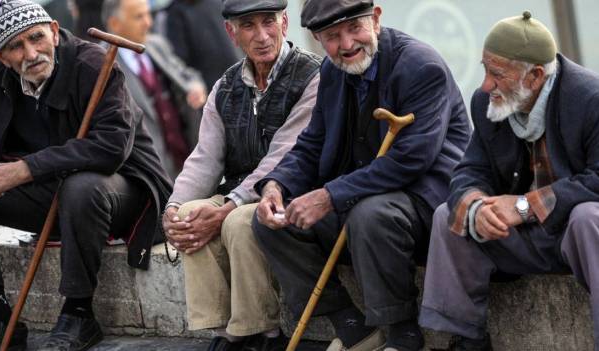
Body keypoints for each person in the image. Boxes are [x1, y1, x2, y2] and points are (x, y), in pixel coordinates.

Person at [418, 11, 599, 351]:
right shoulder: (488, 101)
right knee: (450, 215)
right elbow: (470, 171)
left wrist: (523, 206)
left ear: (535, 77)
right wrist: (475, 207)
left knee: (589, 216)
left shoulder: (596, 99)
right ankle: (467, 339)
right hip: (535, 237)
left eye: (496, 74)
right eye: (485, 69)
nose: (486, 84)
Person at [252, 1, 470, 350]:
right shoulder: (333, 72)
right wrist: (276, 185)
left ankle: (403, 334)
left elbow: (411, 160)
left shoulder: (420, 66)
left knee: (370, 215)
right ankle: (352, 326)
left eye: (355, 28)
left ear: (377, 18)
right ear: (318, 38)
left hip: (427, 201)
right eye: (333, 36)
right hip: (360, 197)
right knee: (272, 223)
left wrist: (329, 196)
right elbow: (312, 144)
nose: (348, 44)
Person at [0, 0, 172, 350]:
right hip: (47, 195)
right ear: (1, 58)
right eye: (16, 46)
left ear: (54, 32)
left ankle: (79, 314)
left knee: (80, 186)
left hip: (121, 194)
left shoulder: (94, 65)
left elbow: (111, 148)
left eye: (36, 38)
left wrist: (23, 169)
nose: (30, 53)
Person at [161, 0, 321, 350]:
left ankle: (260, 331)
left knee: (238, 222)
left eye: (269, 22)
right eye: (249, 25)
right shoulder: (226, 85)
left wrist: (230, 205)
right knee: (189, 216)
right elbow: (204, 158)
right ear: (231, 33)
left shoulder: (312, 76)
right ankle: (224, 331)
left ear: (285, 24)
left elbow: (284, 155)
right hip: (238, 190)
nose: (262, 35)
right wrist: (173, 208)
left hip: (292, 191)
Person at [103, 0, 208, 177]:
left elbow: (187, 75)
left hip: (190, 160)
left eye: (148, 14)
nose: (148, 23)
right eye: (139, 17)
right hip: (151, 172)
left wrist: (195, 87)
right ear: (114, 23)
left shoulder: (157, 45)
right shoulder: (102, 65)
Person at [164, 0, 242, 88]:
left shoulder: (219, 3)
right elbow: (180, 60)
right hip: (212, 89)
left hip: (241, 77)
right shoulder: (176, 12)